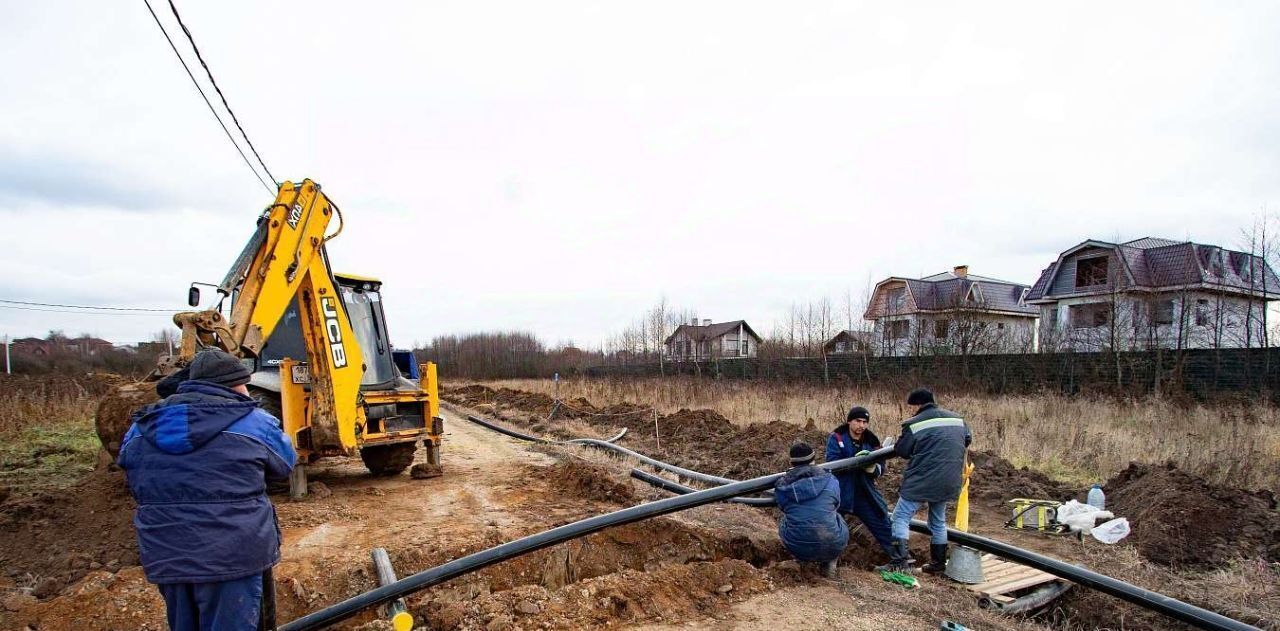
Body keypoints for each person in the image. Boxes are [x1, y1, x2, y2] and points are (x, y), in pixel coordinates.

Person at [118, 349, 296, 630]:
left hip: (167, 553)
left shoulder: (140, 428)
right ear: (237, 384)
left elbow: (130, 470)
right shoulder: (253, 422)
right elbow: (285, 463)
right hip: (232, 554)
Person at [880, 388, 971, 574]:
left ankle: (899, 562)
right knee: (938, 521)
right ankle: (938, 565)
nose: (910, 411)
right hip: (950, 478)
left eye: (911, 407)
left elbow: (903, 451)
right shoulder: (957, 419)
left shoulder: (913, 424)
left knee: (900, 517)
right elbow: (967, 439)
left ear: (918, 405)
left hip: (923, 479)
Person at [825, 406, 894, 560]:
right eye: (858, 421)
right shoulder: (837, 438)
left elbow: (881, 468)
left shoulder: (872, 441)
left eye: (865, 422)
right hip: (840, 491)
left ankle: (900, 559)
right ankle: (828, 561)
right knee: (832, 529)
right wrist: (856, 461)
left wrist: (871, 468)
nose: (861, 425)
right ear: (849, 421)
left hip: (864, 492)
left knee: (881, 522)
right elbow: (832, 463)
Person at [774, 441, 849, 578]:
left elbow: (783, 507)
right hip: (832, 544)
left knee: (785, 520)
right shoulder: (831, 480)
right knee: (837, 516)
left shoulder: (782, 486)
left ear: (791, 463)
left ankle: (802, 560)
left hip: (798, 547)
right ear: (813, 460)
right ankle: (829, 562)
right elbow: (836, 504)